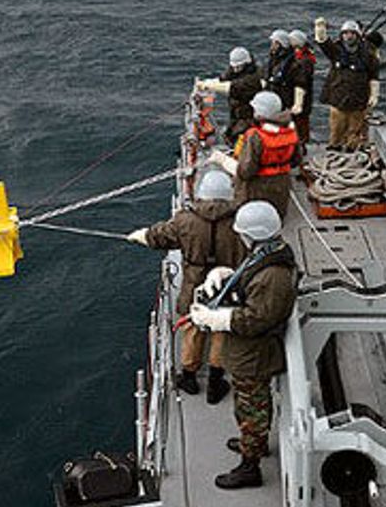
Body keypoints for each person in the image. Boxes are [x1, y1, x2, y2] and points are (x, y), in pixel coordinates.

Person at [189, 200, 297, 490]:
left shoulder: (273, 275)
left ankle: (250, 467)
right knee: (248, 405)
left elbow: (258, 318)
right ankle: (254, 443)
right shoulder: (266, 254)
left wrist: (219, 319)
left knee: (252, 409)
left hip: (255, 355)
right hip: (248, 353)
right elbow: (252, 286)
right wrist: (226, 275)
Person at [125, 169, 244, 404]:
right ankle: (215, 382)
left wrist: (142, 235)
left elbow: (160, 236)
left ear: (202, 193)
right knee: (221, 328)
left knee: (192, 325)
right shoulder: (239, 220)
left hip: (194, 282)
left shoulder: (185, 220)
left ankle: (189, 377)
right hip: (227, 283)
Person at [206, 91, 297, 219]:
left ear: (260, 112)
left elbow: (245, 172)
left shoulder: (255, 135)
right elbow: (296, 160)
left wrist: (223, 160)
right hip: (281, 186)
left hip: (257, 189)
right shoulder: (291, 130)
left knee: (252, 216)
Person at [315, 18, 378, 150]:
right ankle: (335, 147)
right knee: (337, 127)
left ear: (357, 35)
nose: (348, 36)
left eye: (352, 33)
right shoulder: (336, 51)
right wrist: (320, 29)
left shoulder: (368, 54)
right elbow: (324, 43)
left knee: (354, 129)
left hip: (358, 98)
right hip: (338, 96)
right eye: (345, 33)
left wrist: (374, 94)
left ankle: (351, 150)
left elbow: (373, 76)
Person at [196, 47, 262, 146]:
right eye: (233, 67)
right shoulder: (236, 70)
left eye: (238, 67)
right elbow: (222, 80)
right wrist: (207, 82)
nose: (235, 70)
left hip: (248, 116)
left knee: (239, 137)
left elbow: (230, 87)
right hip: (236, 114)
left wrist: (207, 85)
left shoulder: (253, 78)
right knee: (229, 135)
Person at [287, 29, 316, 153]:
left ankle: (301, 145)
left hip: (303, 96)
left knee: (300, 121)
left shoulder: (305, 60)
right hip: (296, 93)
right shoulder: (300, 56)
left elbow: (302, 80)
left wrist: (298, 102)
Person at [264, 29, 296, 111]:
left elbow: (279, 78)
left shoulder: (290, 61)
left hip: (284, 98)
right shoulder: (274, 58)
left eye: (276, 43)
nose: (272, 46)